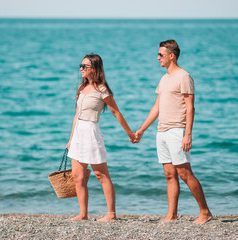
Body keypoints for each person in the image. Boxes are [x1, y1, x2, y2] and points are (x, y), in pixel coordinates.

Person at [135, 40, 212, 224]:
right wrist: (142, 130)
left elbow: (190, 107)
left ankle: (205, 212)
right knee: (169, 175)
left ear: (172, 56)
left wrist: (188, 134)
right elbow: (157, 107)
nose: (157, 58)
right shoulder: (164, 79)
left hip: (177, 131)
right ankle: (172, 215)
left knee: (185, 173)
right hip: (161, 131)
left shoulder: (184, 76)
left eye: (161, 54)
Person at [67, 54, 136, 221]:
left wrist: (130, 133)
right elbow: (76, 115)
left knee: (101, 175)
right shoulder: (81, 88)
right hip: (78, 133)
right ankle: (83, 214)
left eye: (85, 66)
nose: (81, 69)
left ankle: (111, 214)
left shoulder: (102, 89)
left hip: (91, 132)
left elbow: (115, 111)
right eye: (81, 65)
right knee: (78, 176)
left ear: (95, 69)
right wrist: (70, 139)